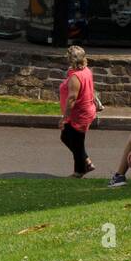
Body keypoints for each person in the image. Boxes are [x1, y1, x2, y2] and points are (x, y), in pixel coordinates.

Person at [59, 45, 97, 178]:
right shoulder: (86, 70)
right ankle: (86, 161)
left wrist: (64, 118)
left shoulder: (76, 76)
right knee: (66, 137)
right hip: (84, 111)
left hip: (79, 114)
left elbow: (72, 99)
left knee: (77, 142)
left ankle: (79, 171)